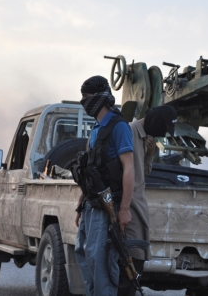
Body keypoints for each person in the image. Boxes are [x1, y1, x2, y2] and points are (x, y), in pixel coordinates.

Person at [74, 75, 135, 296]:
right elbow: (90, 171)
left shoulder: (119, 127)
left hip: (107, 206)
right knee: (84, 255)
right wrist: (81, 204)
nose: (85, 102)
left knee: (100, 262)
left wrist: (125, 209)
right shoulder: (96, 129)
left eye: (87, 97)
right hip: (91, 205)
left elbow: (129, 168)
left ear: (100, 98)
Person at [118, 105, 178, 296]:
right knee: (130, 261)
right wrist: (124, 208)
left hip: (138, 207)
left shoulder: (146, 139)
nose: (162, 135)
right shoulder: (128, 131)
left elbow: (142, 174)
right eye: (163, 128)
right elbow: (123, 172)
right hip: (129, 208)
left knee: (137, 262)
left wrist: (150, 155)